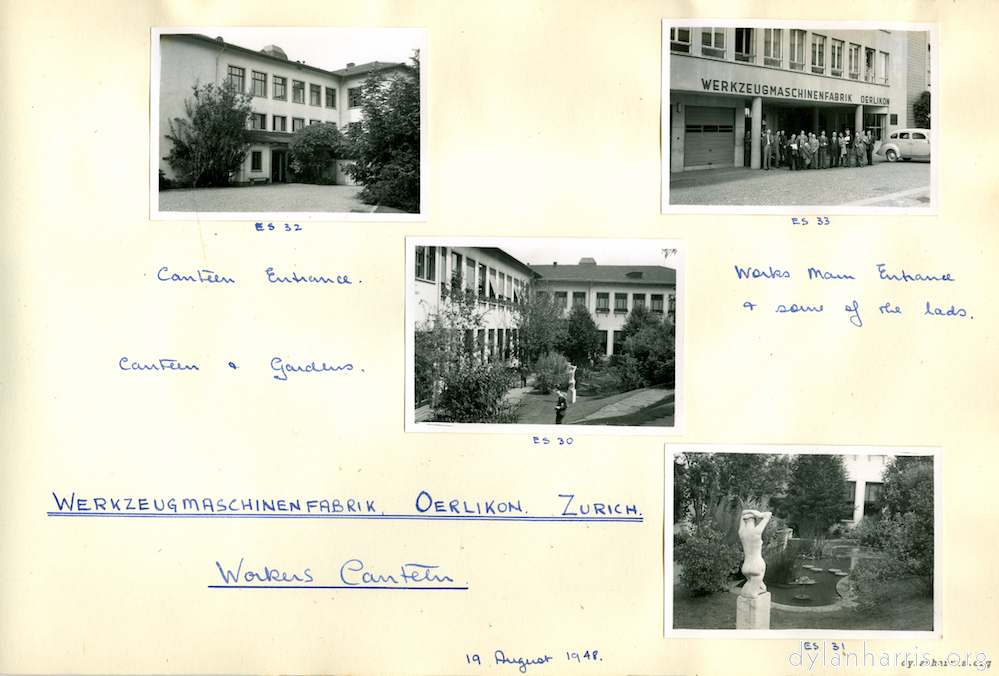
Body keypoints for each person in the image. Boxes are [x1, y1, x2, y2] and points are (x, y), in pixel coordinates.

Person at [739, 509, 773, 598]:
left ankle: (757, 590)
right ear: (754, 520)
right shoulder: (757, 531)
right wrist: (758, 514)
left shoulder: (742, 533)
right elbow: (768, 514)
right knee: (753, 594)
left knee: (762, 587)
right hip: (757, 565)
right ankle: (754, 594)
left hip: (746, 567)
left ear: (745, 521)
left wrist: (745, 513)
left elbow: (742, 513)